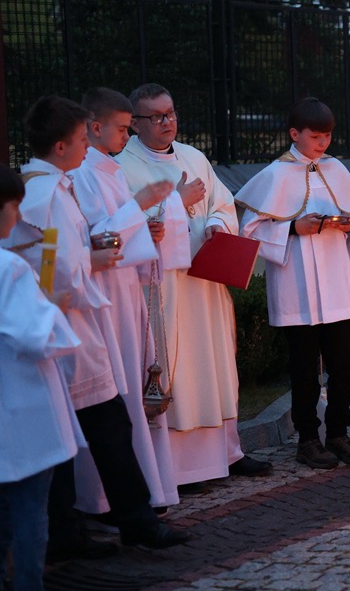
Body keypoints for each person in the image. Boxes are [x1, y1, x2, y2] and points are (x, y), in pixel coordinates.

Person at [2, 97, 189, 552]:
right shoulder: (46, 195)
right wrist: (93, 260)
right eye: (82, 140)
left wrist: (92, 253)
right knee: (105, 425)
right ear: (61, 146)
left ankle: (79, 530)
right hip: (66, 324)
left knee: (85, 428)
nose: (88, 146)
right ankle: (124, 524)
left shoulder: (49, 186)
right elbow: (54, 268)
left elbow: (59, 256)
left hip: (67, 321)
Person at [116, 84, 272, 488]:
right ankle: (182, 468)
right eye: (156, 116)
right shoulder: (122, 168)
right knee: (179, 371)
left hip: (205, 281)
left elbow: (222, 203)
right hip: (165, 286)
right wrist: (177, 202)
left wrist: (218, 224)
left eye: (170, 113)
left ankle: (227, 453)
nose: (167, 122)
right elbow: (126, 227)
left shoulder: (194, 156)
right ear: (134, 123)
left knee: (216, 363)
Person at [236, 98, 350, 471]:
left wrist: (347, 223)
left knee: (345, 365)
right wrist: (295, 227)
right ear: (295, 134)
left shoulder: (336, 168)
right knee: (304, 369)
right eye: (316, 137)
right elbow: (249, 231)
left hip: (335, 281)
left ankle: (339, 433)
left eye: (328, 136)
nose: (323, 143)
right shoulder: (275, 175)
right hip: (295, 284)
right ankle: (308, 439)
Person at [70, 88, 179, 513]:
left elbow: (117, 230)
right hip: (104, 296)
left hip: (125, 290)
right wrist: (140, 206)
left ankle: (146, 489)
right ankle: (105, 500)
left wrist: (143, 228)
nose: (127, 135)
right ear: (95, 128)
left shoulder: (109, 169)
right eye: (121, 128)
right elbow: (97, 238)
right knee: (117, 393)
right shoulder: (83, 174)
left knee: (134, 388)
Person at [0, 163, 83, 591]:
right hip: (23, 408)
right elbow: (36, 338)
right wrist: (53, 308)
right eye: (14, 207)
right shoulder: (11, 268)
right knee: (31, 512)